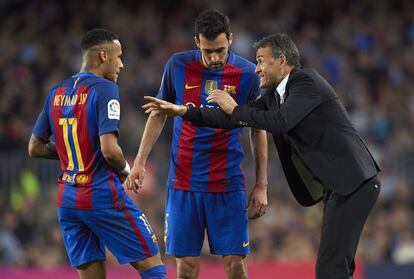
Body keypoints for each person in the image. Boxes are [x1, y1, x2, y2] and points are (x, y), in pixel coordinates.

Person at [142, 33, 381, 279]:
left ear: (281, 60)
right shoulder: (274, 96)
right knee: (337, 266)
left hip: (355, 183)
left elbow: (281, 121)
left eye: (261, 61)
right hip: (340, 187)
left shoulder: (306, 82)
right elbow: (231, 118)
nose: (256, 69)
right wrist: (184, 111)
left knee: (331, 269)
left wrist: (234, 108)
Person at [125, 9, 268, 279]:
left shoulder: (248, 73)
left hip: (227, 183)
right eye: (208, 50)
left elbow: (257, 128)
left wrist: (261, 185)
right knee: (186, 268)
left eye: (221, 50)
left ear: (231, 39)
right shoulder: (177, 66)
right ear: (196, 42)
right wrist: (140, 163)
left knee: (236, 266)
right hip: (183, 184)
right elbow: (158, 112)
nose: (215, 58)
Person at [28, 28, 166, 279]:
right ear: (104, 55)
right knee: (152, 265)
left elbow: (34, 147)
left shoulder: (56, 92)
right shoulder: (105, 89)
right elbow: (110, 150)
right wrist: (127, 171)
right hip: (100, 194)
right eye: (119, 56)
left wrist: (76, 153)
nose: (122, 65)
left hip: (68, 199)